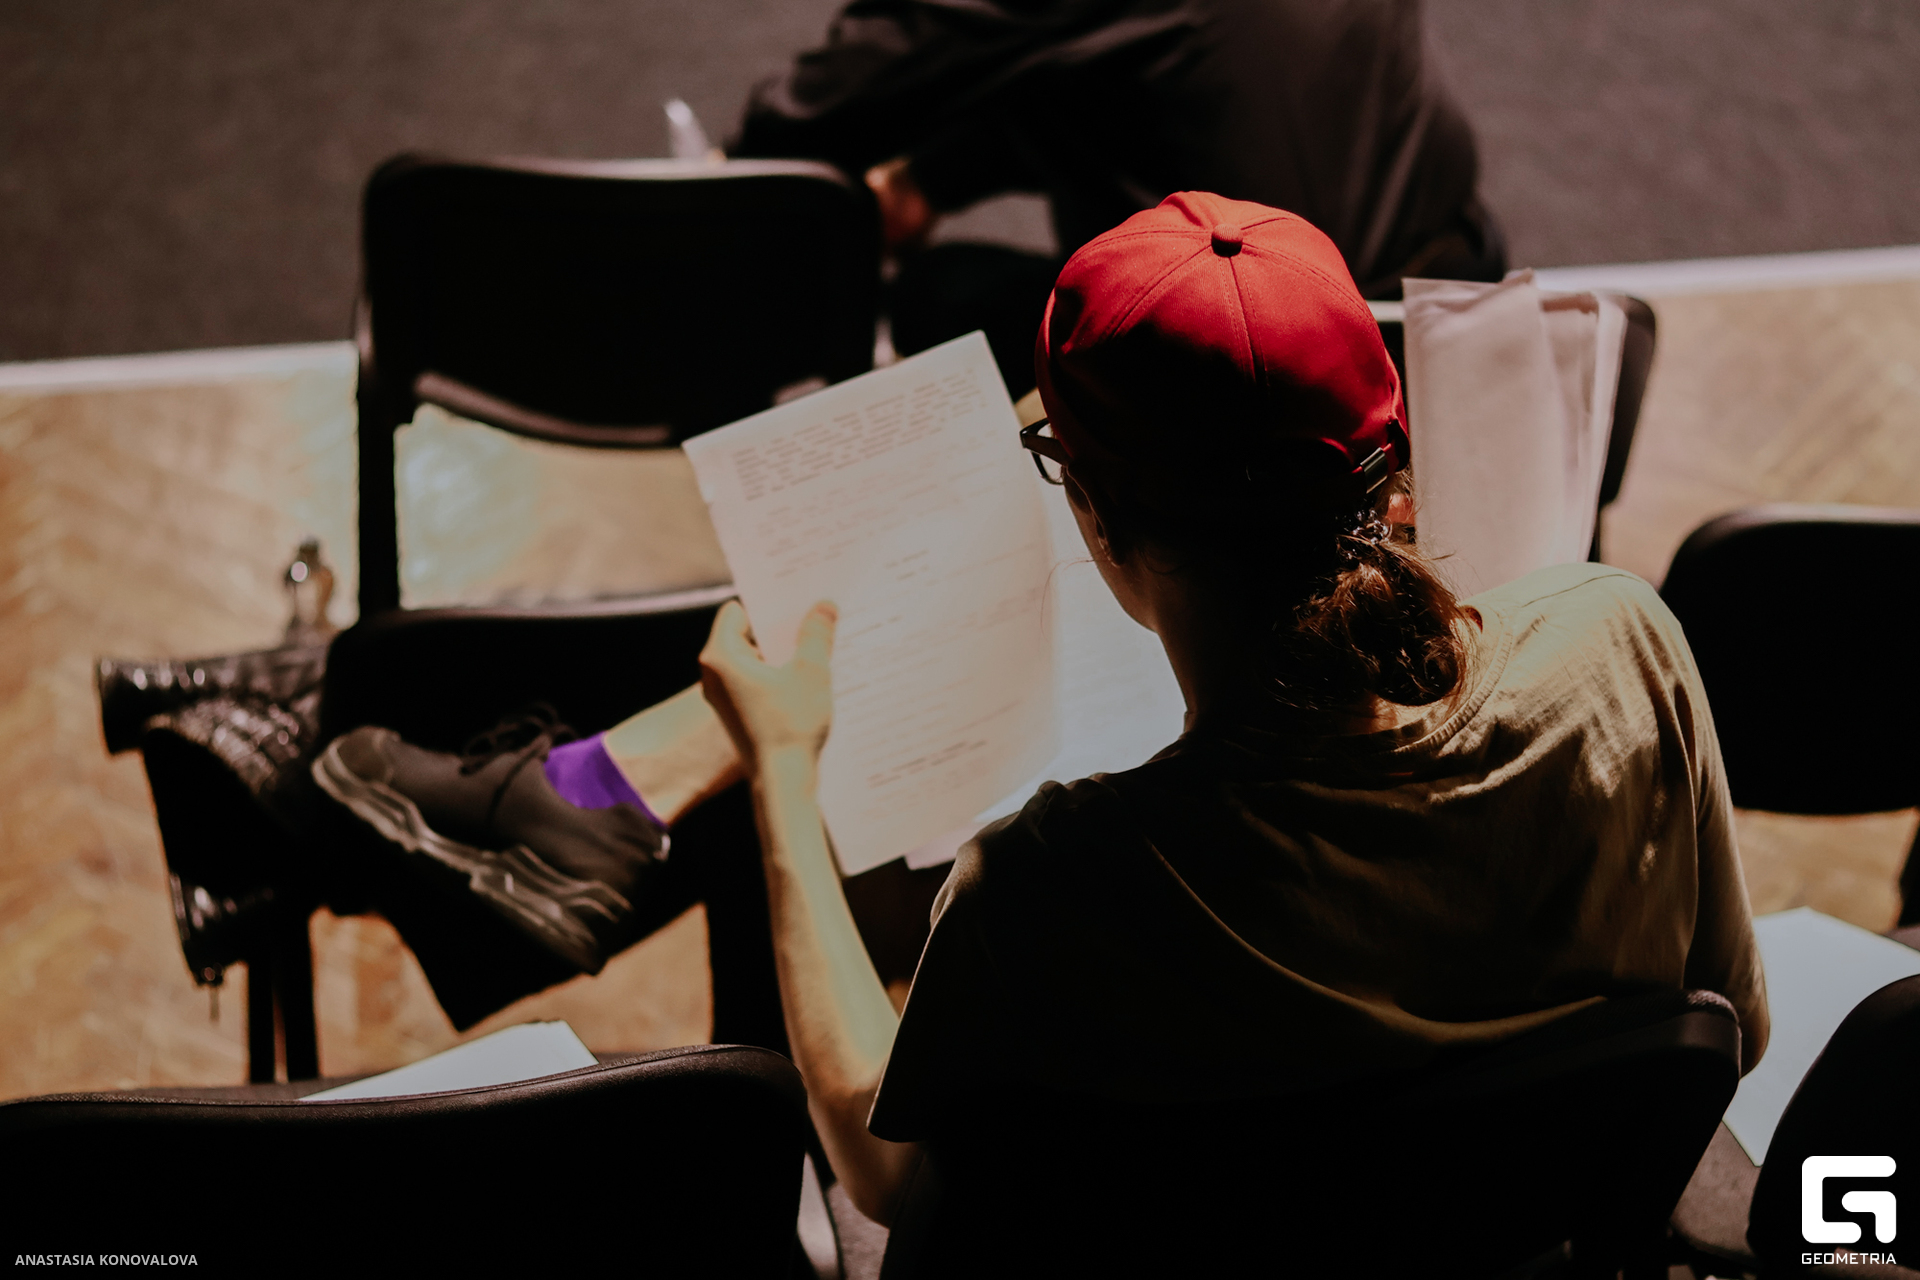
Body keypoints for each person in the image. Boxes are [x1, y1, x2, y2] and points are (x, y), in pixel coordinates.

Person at [315, 192, 1764, 1250]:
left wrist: (785, 771)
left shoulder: (1051, 884)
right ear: (1390, 474)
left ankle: (497, 790)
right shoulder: (1622, 646)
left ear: (1094, 520)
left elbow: (891, 1173)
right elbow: (1731, 1026)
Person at [732, 0, 1505, 392]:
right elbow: (1139, 69)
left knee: (941, 301)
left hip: (1256, 358)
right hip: (1445, 301)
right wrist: (927, 182)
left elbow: (817, 108)